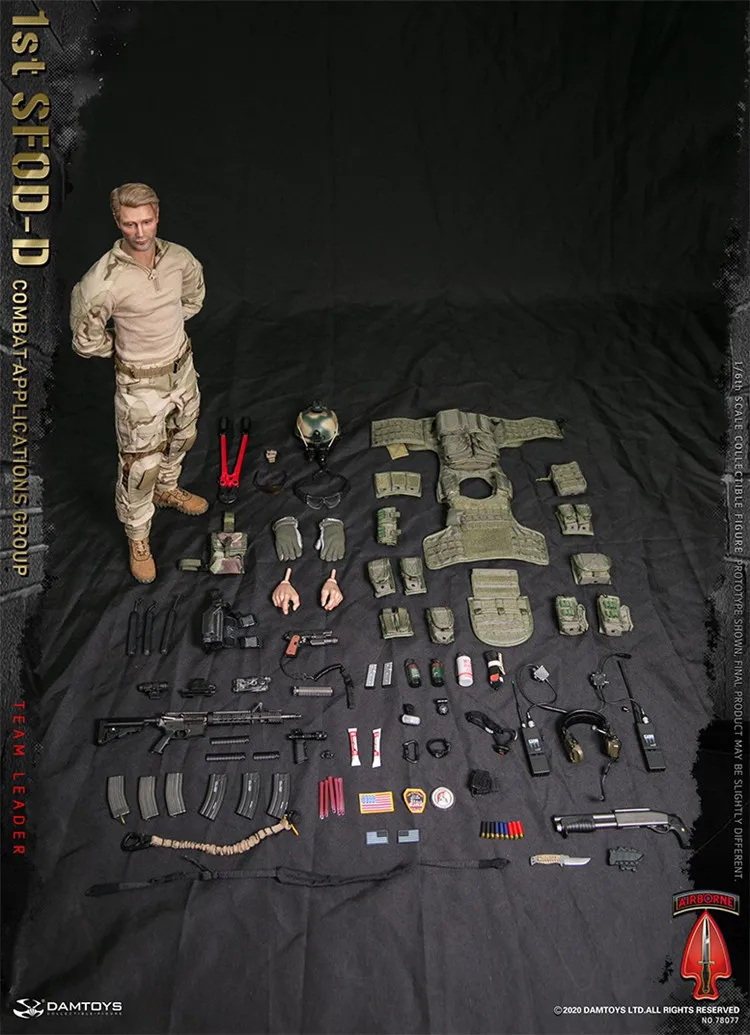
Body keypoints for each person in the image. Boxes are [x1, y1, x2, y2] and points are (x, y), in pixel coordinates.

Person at [70, 182, 208, 583]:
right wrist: (127, 347)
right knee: (139, 467)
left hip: (181, 370)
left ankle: (168, 488)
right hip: (141, 387)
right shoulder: (103, 279)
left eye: (146, 221)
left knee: (183, 436)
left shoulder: (178, 258)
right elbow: (84, 339)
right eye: (130, 224)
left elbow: (193, 297)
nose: (140, 231)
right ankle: (138, 536)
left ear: (157, 216)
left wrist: (164, 328)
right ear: (118, 222)